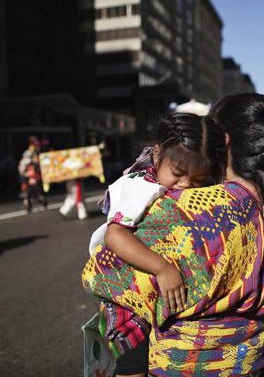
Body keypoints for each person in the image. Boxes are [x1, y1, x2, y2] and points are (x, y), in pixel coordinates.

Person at [83, 93, 264, 376]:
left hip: (181, 364)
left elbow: (106, 277)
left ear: (224, 143)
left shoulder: (183, 207)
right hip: (248, 362)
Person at [87, 112, 225, 376]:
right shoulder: (141, 186)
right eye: (178, 173)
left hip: (144, 283)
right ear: (157, 154)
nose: (186, 185)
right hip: (121, 284)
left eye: (199, 179)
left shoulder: (168, 184)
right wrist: (163, 269)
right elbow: (115, 235)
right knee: (133, 355)